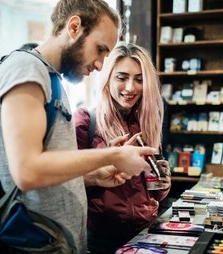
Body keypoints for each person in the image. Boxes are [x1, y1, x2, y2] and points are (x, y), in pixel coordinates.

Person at [0, 1, 157, 253]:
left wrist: (95, 174)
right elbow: (27, 171)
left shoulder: (48, 77)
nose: (100, 65)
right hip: (34, 242)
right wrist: (112, 155)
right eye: (99, 50)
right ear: (74, 27)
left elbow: (48, 170)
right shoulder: (26, 69)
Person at [73, 43, 171, 253]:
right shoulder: (85, 121)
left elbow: (153, 193)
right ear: (108, 78)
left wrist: (163, 184)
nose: (130, 88)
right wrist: (103, 165)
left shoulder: (148, 124)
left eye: (139, 79)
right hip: (98, 240)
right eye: (122, 77)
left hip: (144, 235)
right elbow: (63, 183)